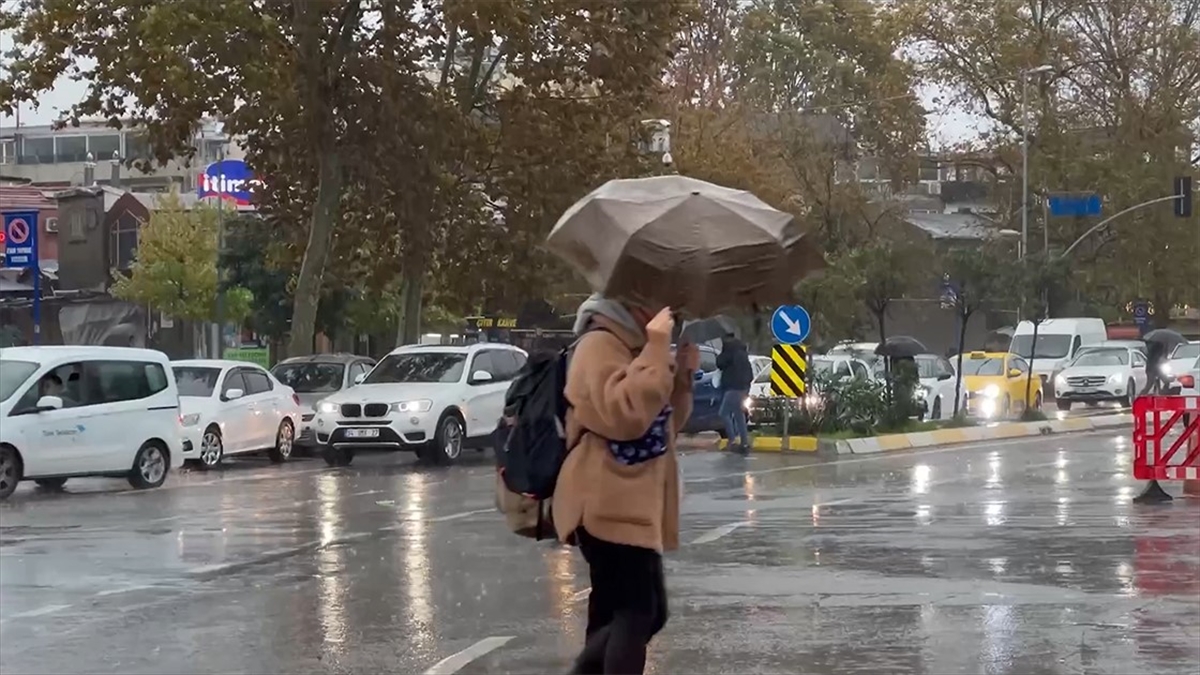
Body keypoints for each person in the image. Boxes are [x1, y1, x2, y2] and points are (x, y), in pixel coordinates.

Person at [553, 293, 697, 675]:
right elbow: (625, 415)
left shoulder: (635, 348)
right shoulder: (598, 344)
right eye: (658, 301)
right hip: (605, 502)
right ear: (632, 303)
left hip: (631, 506)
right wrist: (656, 348)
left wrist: (682, 377)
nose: (667, 312)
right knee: (641, 611)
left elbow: (664, 425)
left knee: (615, 613)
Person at [715, 330, 753, 455]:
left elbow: (720, 363)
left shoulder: (729, 350)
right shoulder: (741, 351)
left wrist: (721, 354)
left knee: (723, 413)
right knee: (738, 414)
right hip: (744, 387)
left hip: (733, 387)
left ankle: (732, 440)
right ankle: (744, 442)